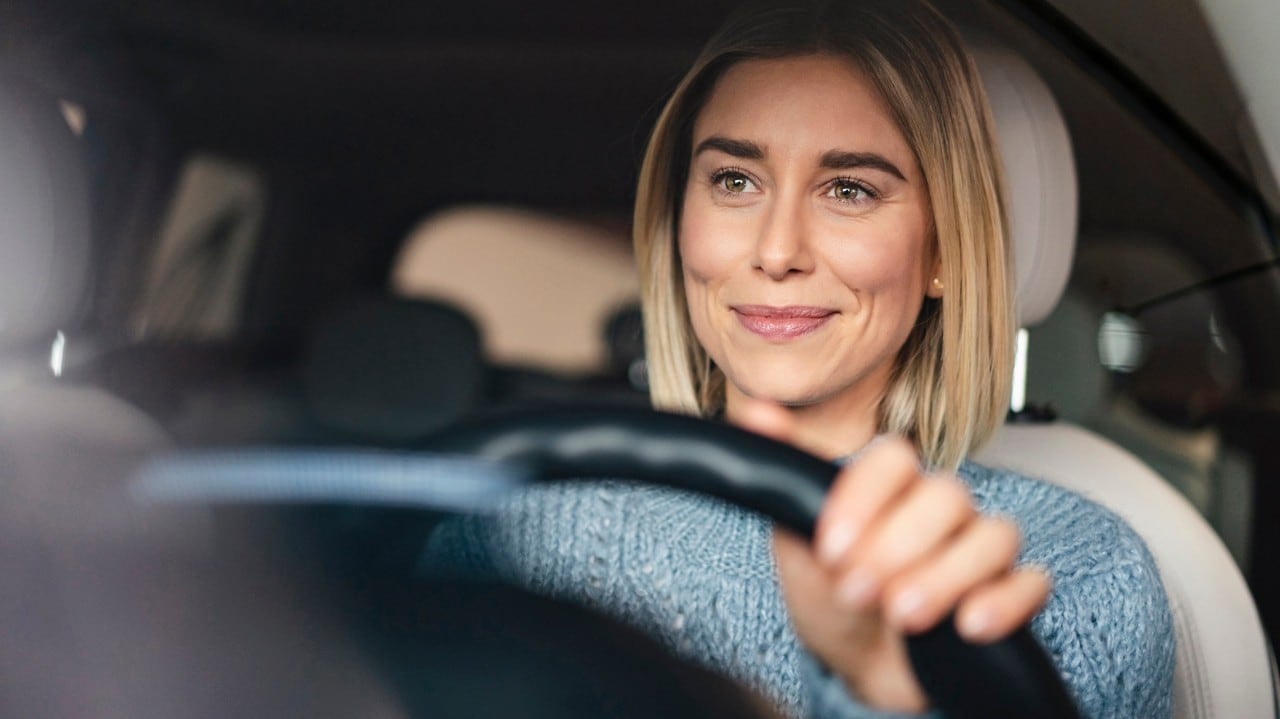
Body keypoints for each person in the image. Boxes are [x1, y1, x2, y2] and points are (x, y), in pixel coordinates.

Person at [422, 1, 1175, 717]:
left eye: (848, 188)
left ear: (943, 249)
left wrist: (881, 692)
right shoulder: (518, 531)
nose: (777, 250)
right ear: (679, 217)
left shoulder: (1077, 573)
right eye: (734, 180)